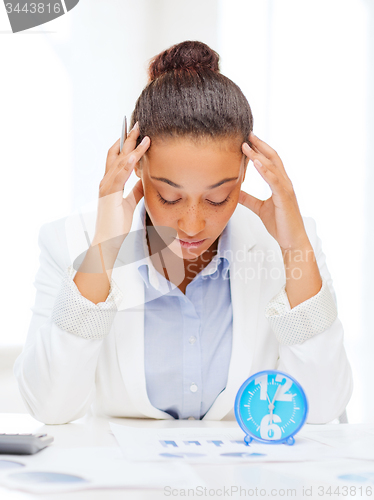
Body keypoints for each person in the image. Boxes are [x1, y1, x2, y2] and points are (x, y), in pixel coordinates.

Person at [14, 40, 353, 425]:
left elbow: (324, 408)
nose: (192, 225)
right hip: (123, 484)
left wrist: (295, 249)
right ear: (136, 169)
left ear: (245, 174)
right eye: (169, 197)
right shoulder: (71, 241)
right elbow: (49, 407)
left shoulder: (289, 244)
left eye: (219, 198)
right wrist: (103, 252)